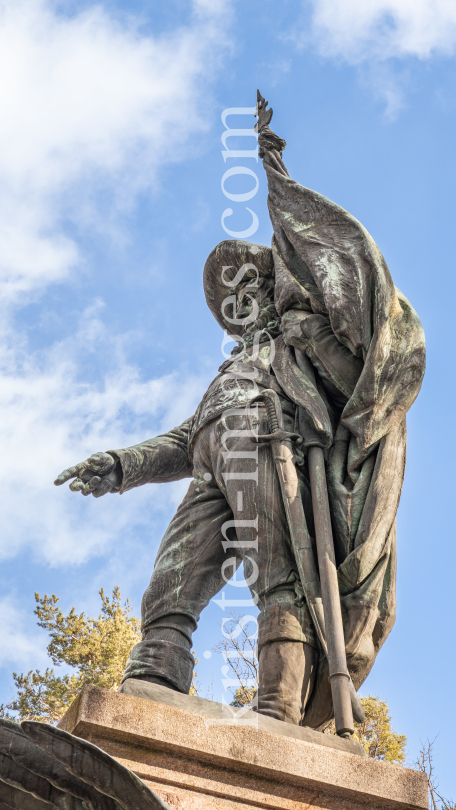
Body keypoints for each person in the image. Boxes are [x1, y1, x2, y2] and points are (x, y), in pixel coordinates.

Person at [54, 104, 425, 730]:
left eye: (248, 288)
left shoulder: (301, 343)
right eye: (231, 299)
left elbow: (356, 365)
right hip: (209, 468)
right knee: (174, 575)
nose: (239, 302)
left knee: (275, 569)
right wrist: (119, 465)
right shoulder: (228, 372)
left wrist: (285, 206)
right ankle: (156, 674)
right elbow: (183, 438)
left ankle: (279, 704)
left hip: (269, 446)